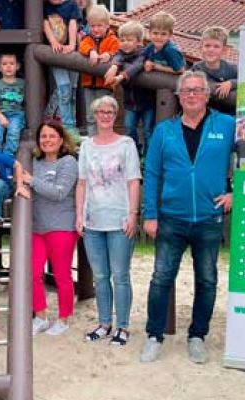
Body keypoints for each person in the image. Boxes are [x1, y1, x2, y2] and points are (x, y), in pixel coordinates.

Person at [140, 71, 235, 364]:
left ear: (207, 94)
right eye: (187, 91)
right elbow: (152, 173)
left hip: (209, 218)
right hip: (172, 218)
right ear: (179, 97)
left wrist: (236, 192)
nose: (192, 95)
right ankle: (154, 336)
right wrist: (150, 214)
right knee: (161, 278)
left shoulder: (228, 125)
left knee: (206, 280)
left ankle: (197, 336)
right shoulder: (164, 131)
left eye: (197, 90)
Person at [75, 95, 141, 347]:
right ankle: (104, 323)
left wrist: (133, 214)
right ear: (95, 115)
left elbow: (134, 181)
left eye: (110, 112)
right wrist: (79, 215)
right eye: (101, 111)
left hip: (119, 219)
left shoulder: (126, 144)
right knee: (100, 276)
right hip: (93, 220)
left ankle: (122, 325)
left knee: (120, 275)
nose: (105, 115)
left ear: (115, 116)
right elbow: (82, 183)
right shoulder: (87, 146)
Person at [20, 121, 79, 336]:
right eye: (43, 136)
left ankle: (63, 319)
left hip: (61, 226)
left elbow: (59, 192)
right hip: (37, 227)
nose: (47, 140)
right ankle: (41, 316)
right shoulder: (34, 163)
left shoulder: (68, 162)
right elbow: (23, 182)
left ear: (61, 140)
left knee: (62, 274)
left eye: (52, 136)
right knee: (33, 273)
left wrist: (32, 181)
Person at [104, 20, 154, 152]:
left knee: (148, 130)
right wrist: (114, 67)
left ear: (139, 42)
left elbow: (136, 66)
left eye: (129, 40)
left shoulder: (143, 54)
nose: (125, 43)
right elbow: (117, 57)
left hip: (147, 101)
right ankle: (135, 151)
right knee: (129, 127)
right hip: (130, 102)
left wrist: (120, 76)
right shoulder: (121, 53)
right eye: (122, 39)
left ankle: (148, 156)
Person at [77, 5, 118, 136]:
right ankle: (92, 140)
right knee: (91, 116)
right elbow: (82, 46)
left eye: (99, 26)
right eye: (92, 26)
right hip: (89, 85)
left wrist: (109, 55)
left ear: (107, 25)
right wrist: (92, 52)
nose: (95, 29)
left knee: (106, 115)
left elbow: (118, 52)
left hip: (105, 86)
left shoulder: (112, 39)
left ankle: (105, 139)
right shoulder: (87, 39)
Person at [44, 0, 82, 134]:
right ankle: (68, 126)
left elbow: (73, 23)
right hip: (56, 53)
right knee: (64, 89)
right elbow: (46, 25)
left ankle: (70, 123)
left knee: (72, 90)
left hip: (72, 53)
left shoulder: (71, 5)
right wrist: (53, 42)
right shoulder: (45, 6)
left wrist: (71, 44)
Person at [190, 26, 237, 115]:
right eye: (207, 46)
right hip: (207, 112)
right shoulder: (197, 68)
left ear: (224, 50)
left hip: (230, 112)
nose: (211, 50)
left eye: (216, 46)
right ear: (201, 48)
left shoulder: (232, 68)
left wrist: (231, 83)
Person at [0, 53, 26, 155]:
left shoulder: (23, 83)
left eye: (12, 64)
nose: (8, 67)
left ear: (17, 66)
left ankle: (8, 157)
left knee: (13, 133)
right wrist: (1, 117)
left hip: (16, 115)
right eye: (4, 64)